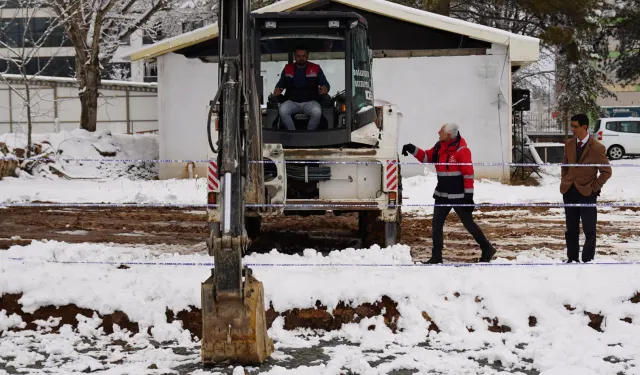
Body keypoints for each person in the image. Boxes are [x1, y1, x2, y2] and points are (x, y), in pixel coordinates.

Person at [402, 123, 496, 264]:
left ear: (448, 135)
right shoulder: (439, 147)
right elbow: (427, 157)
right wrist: (412, 149)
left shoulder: (462, 151)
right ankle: (436, 257)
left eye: (441, 131)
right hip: (442, 194)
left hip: (459, 197)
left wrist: (469, 197)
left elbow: (468, 175)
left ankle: (487, 248)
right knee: (436, 224)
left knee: (468, 223)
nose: (438, 132)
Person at [560, 114, 612, 263]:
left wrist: (594, 188)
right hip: (569, 191)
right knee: (571, 229)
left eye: (575, 126)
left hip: (587, 193)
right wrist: (565, 180)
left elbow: (606, 172)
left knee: (589, 229)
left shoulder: (596, 147)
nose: (572, 129)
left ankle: (588, 260)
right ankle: (572, 258)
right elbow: (565, 166)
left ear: (585, 127)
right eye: (571, 126)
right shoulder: (569, 144)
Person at [273, 45, 330, 131]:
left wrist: (325, 88)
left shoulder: (315, 68)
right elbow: (281, 84)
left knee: (317, 112)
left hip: (310, 102)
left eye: (303, 56)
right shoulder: (288, 68)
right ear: (295, 56)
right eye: (298, 56)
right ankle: (292, 133)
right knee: (283, 110)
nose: (301, 58)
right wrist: (278, 89)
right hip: (292, 101)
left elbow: (325, 83)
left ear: (307, 56)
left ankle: (309, 135)